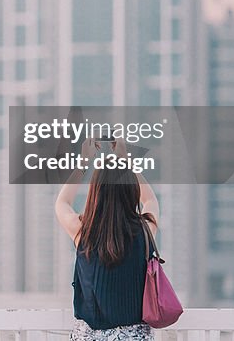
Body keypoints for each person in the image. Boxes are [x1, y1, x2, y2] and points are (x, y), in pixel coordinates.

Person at [55, 137, 161, 341]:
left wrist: (84, 162)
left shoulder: (82, 231)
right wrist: (125, 160)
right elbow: (150, 200)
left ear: (95, 192)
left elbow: (62, 202)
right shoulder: (145, 231)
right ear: (131, 192)